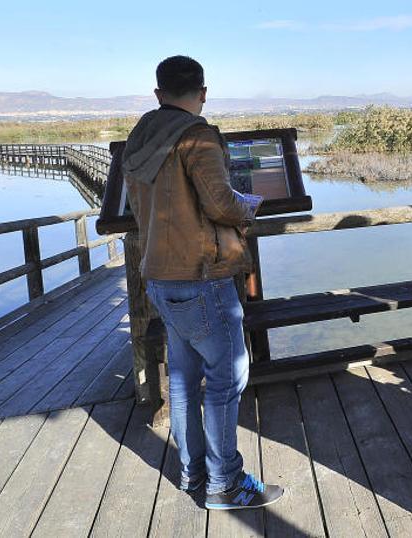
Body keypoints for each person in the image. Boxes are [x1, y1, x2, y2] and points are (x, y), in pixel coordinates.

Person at [122, 55, 284, 510]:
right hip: (203, 275)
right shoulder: (196, 136)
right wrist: (246, 206)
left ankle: (193, 473)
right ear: (203, 92)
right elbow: (219, 203)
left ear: (158, 94)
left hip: (159, 274)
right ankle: (224, 484)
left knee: (183, 377)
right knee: (227, 378)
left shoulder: (141, 135)